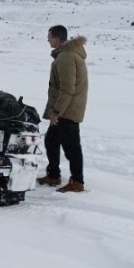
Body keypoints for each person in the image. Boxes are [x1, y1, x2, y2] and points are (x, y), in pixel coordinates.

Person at [38, 25, 89, 193]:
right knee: (51, 140)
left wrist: (56, 112)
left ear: (56, 38)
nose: (47, 40)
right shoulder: (65, 55)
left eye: (49, 37)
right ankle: (53, 175)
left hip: (68, 110)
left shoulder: (66, 57)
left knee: (71, 146)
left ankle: (77, 181)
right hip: (66, 108)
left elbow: (67, 88)